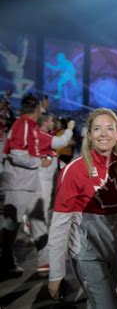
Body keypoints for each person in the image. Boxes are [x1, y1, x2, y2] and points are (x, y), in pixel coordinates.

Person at [47, 108, 117, 307]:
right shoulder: (74, 170)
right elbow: (60, 225)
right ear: (89, 135)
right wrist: (56, 273)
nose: (104, 134)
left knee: (104, 302)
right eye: (97, 129)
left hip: (115, 250)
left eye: (110, 128)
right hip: (87, 254)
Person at [1, 94, 52, 278]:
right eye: (41, 108)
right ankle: (6, 262)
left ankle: (44, 262)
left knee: (37, 219)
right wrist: (39, 162)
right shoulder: (22, 125)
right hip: (19, 183)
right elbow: (17, 154)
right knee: (11, 223)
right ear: (37, 110)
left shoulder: (28, 125)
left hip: (28, 181)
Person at [36, 113, 75, 225]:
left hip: (45, 174)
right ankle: (39, 232)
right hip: (43, 176)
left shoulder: (40, 134)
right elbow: (62, 141)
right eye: (51, 121)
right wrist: (69, 129)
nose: (53, 123)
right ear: (45, 122)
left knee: (45, 203)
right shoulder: (42, 135)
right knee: (43, 204)